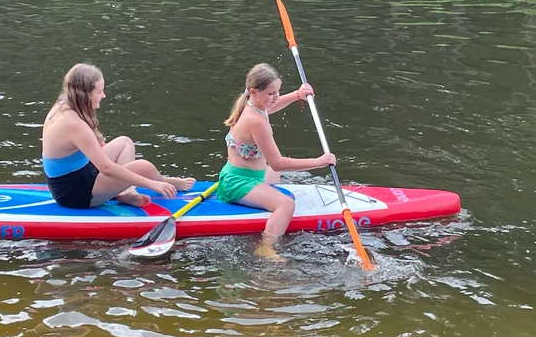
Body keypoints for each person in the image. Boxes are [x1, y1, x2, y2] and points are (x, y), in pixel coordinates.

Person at [220, 63, 336, 260]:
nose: (275, 97)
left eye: (277, 91)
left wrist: (297, 95)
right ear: (254, 92)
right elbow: (277, 162)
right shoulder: (256, 121)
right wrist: (317, 162)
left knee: (276, 176)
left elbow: (273, 106)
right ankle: (266, 247)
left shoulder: (252, 104)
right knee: (286, 205)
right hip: (239, 182)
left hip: (239, 174)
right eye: (271, 93)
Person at [41, 63, 195, 209]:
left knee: (124, 143)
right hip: (74, 194)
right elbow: (107, 168)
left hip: (78, 173)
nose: (104, 95)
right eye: (99, 92)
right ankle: (163, 181)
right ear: (85, 94)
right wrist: (152, 185)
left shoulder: (64, 102)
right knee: (144, 168)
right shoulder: (73, 124)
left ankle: (126, 192)